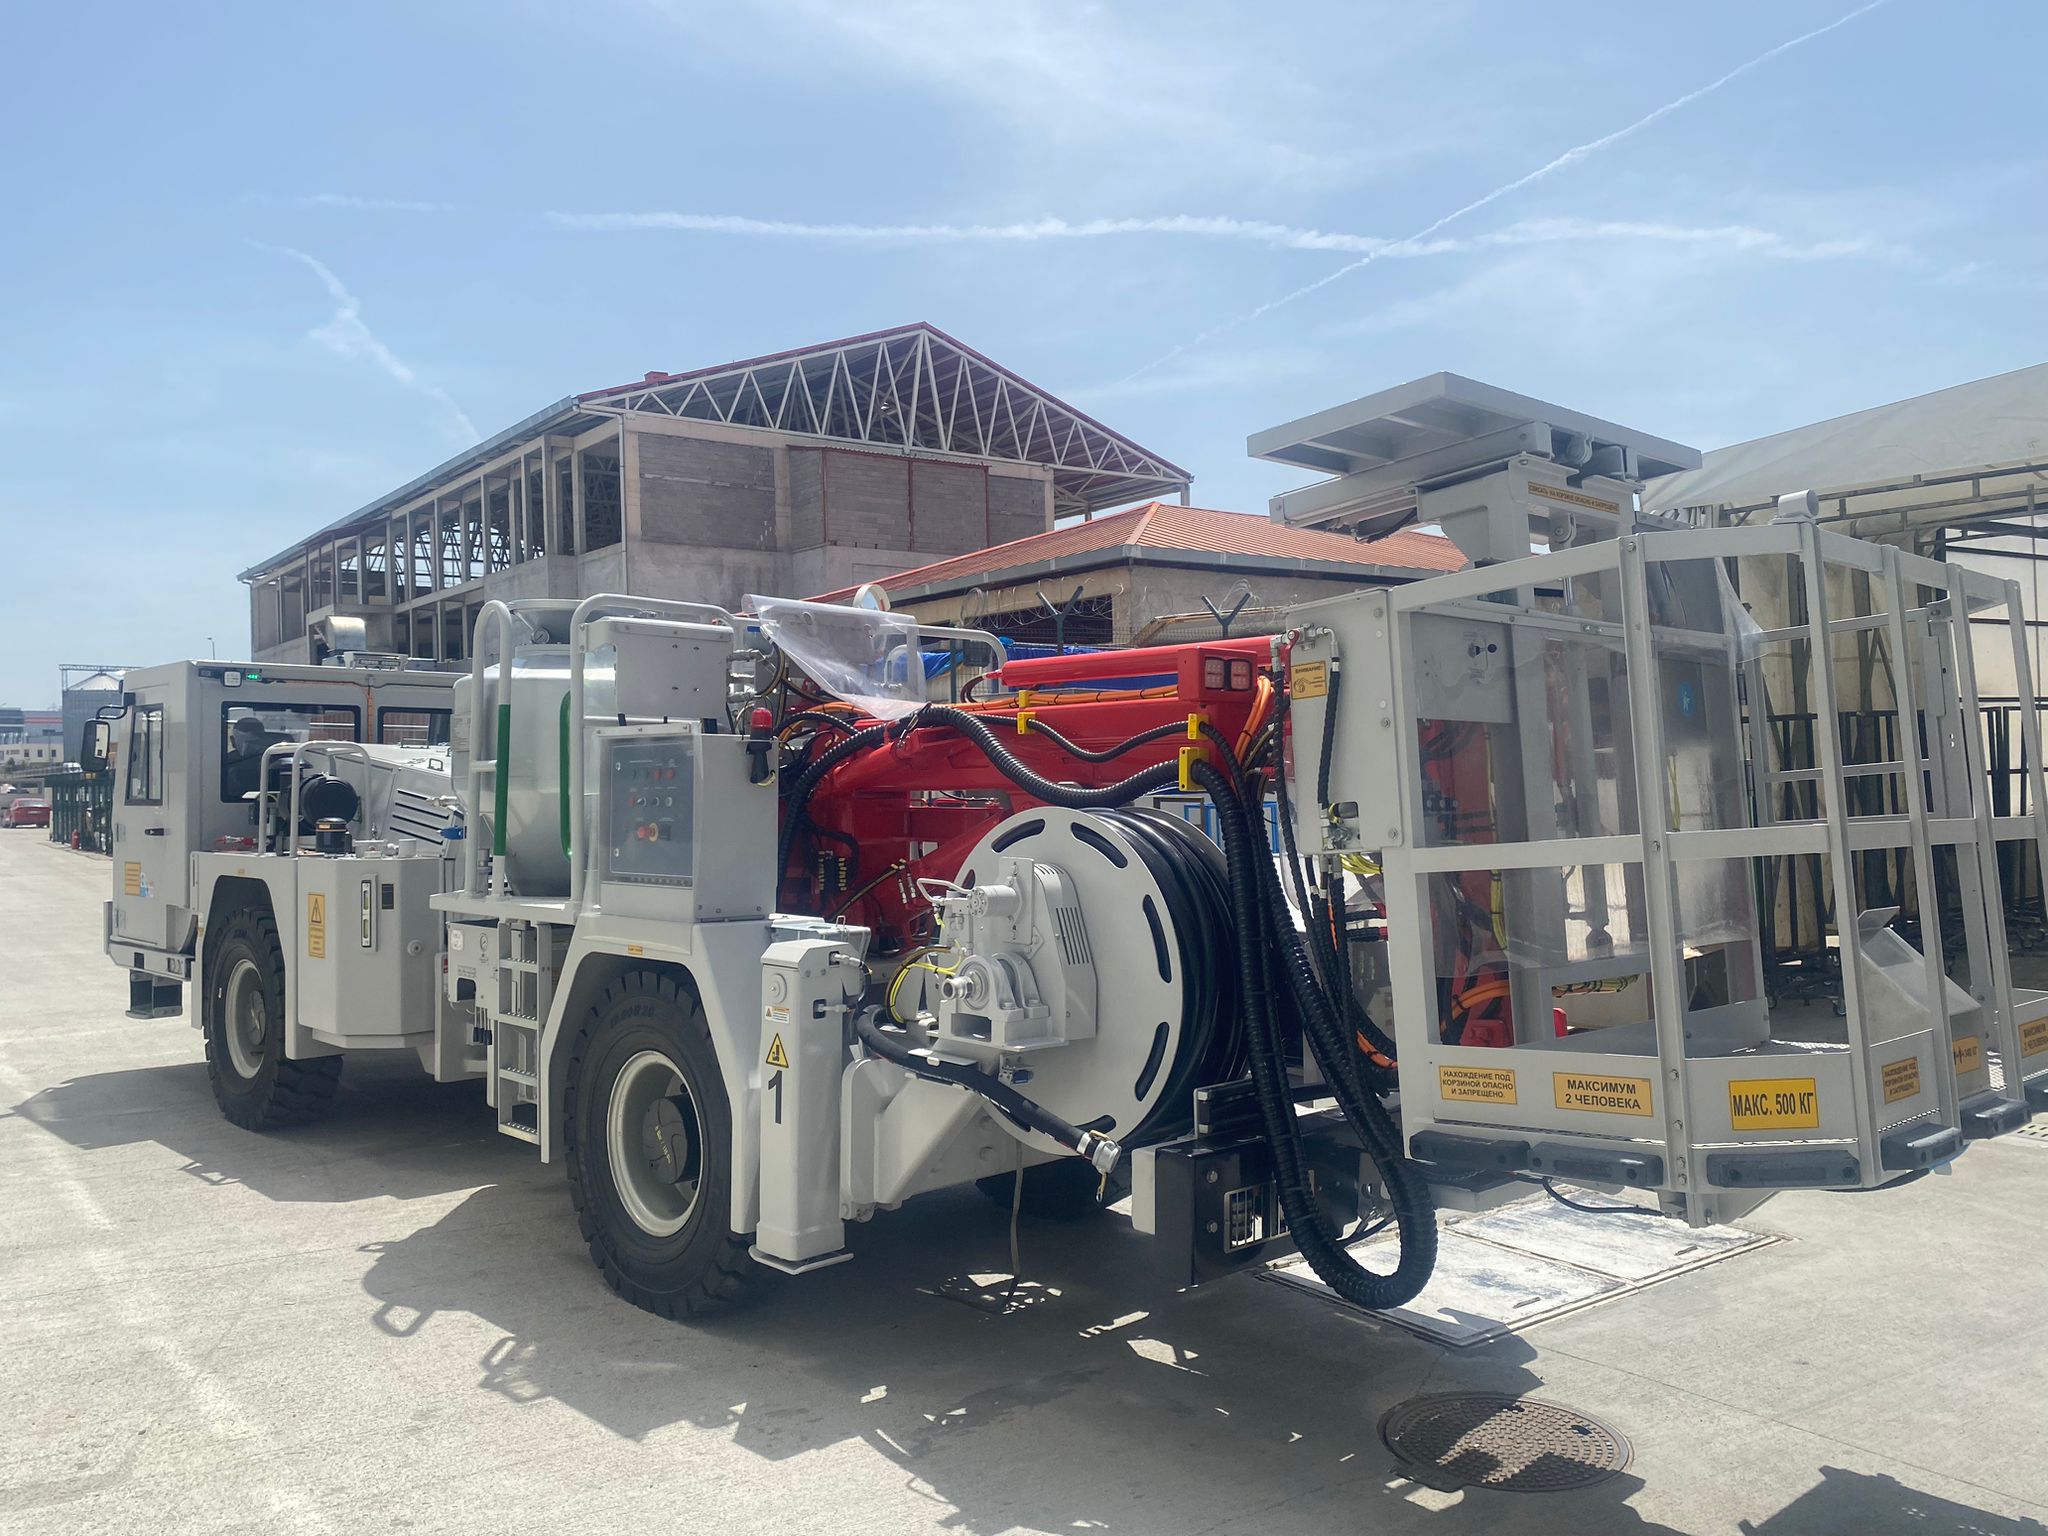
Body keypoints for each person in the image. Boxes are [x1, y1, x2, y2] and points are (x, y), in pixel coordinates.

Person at [221, 715, 278, 803]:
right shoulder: (229, 761)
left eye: (253, 742)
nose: (247, 746)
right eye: (243, 741)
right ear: (233, 741)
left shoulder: (274, 759)